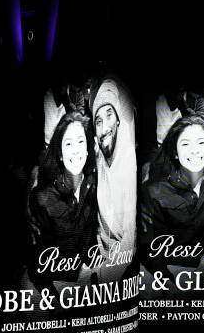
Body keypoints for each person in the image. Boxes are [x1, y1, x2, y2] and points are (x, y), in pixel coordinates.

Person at [140, 115, 204, 280]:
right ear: (175, 152)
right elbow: (151, 250)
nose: (195, 150)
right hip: (174, 281)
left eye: (201, 142)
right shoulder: (153, 192)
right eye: (186, 144)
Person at [28, 111, 98, 286]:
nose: (76, 151)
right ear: (59, 153)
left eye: (81, 142)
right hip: (52, 284)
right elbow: (40, 260)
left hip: (86, 280)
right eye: (68, 144)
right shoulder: (42, 198)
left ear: (89, 149)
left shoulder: (96, 187)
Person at [91, 78, 137, 282]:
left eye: (109, 115)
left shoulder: (129, 166)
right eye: (98, 121)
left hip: (120, 269)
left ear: (118, 121)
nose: (104, 127)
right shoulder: (97, 159)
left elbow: (129, 240)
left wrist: (102, 278)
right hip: (98, 259)